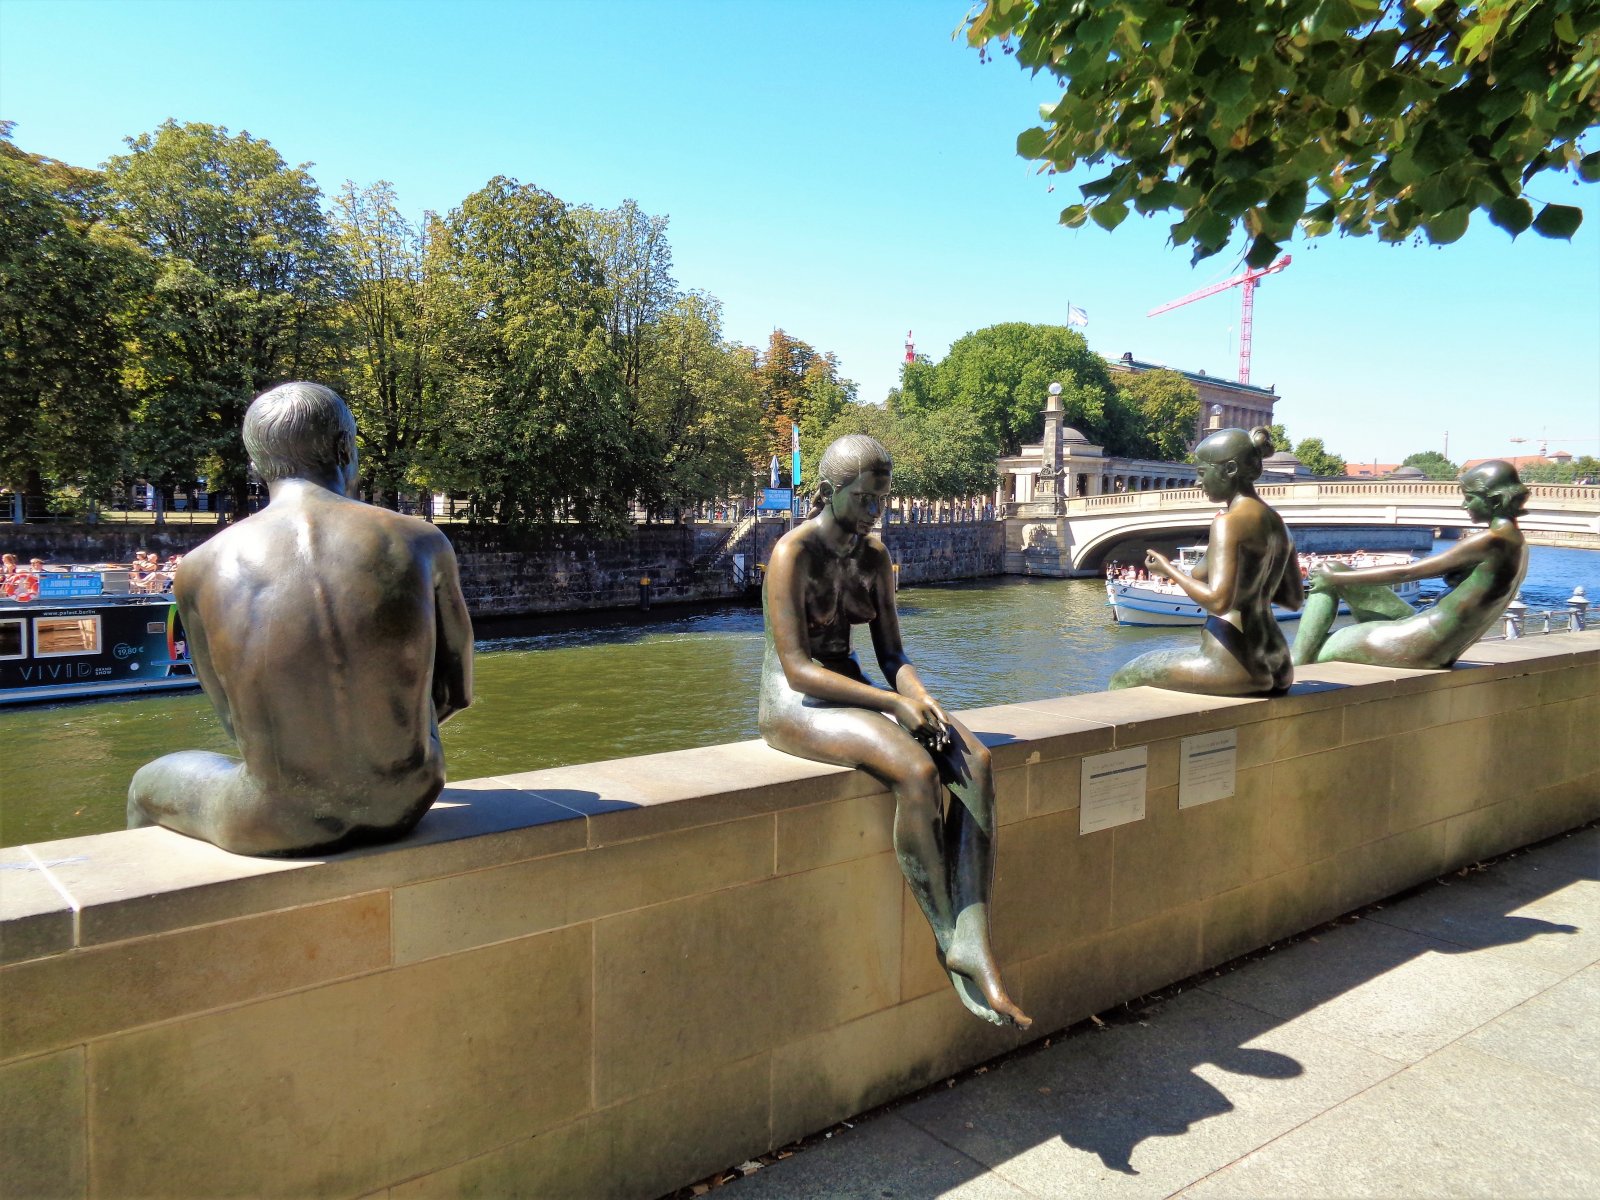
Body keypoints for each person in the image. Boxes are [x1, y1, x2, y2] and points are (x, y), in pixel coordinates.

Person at [129, 382, 474, 856]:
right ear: (343, 448)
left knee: (146, 783)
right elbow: (457, 691)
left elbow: (235, 721)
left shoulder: (198, 567)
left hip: (271, 820)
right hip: (410, 797)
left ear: (256, 465)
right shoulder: (421, 540)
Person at [758, 434, 1030, 1029]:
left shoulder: (874, 558)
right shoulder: (792, 554)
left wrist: (921, 699)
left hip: (852, 685)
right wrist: (891, 705)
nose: (875, 510)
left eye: (881, 497)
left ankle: (974, 932)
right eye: (863, 498)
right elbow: (798, 667)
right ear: (829, 492)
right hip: (797, 701)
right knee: (916, 770)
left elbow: (892, 654)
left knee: (975, 763)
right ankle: (944, 929)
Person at [1111, 427, 1302, 695]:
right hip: (1278, 661)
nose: (1197, 483)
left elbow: (1218, 601)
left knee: (1125, 676)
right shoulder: (1276, 523)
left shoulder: (1228, 523)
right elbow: (1293, 599)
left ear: (1230, 469)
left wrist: (1167, 569)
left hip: (1233, 662)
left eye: (1202, 473)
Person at [1292, 461, 1529, 669]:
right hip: (1432, 639)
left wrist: (1335, 581)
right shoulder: (1519, 544)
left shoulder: (1491, 540)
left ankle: (1296, 662)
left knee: (1321, 644)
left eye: (1469, 498)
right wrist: (1337, 576)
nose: (1463, 506)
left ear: (1496, 501)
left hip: (1419, 645)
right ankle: (1300, 654)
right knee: (1334, 568)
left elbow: (1409, 571)